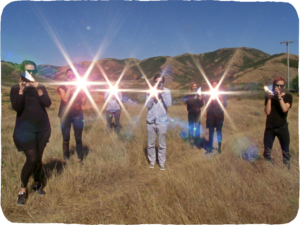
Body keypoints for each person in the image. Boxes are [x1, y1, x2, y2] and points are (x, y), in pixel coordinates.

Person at [10, 60, 51, 205]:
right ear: (22, 71)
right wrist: (21, 90)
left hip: (42, 128)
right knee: (32, 158)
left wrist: (38, 89)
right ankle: (22, 189)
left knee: (39, 158)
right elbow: (16, 107)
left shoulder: (40, 87)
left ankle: (37, 184)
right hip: (24, 130)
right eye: (28, 71)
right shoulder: (15, 88)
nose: (31, 74)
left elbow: (48, 103)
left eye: (33, 71)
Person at [57, 68, 87, 165]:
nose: (71, 78)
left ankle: (80, 158)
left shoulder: (79, 88)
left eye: (73, 76)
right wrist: (70, 88)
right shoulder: (62, 87)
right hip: (65, 115)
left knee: (78, 137)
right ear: (66, 77)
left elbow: (83, 102)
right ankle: (66, 157)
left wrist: (84, 92)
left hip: (77, 115)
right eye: (69, 76)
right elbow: (65, 99)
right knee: (66, 137)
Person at [264, 76, 292, 168]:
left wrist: (279, 97)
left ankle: (287, 170)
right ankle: (267, 170)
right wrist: (269, 99)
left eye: (281, 86)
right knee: (267, 152)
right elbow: (267, 112)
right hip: (270, 128)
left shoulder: (288, 97)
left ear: (284, 87)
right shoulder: (269, 97)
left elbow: (284, 109)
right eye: (277, 85)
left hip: (282, 128)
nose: (279, 87)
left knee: (286, 152)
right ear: (273, 86)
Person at [146, 74, 172, 170]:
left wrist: (163, 93)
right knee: (150, 143)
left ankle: (162, 163)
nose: (158, 83)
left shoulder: (167, 91)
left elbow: (168, 104)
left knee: (162, 144)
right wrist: (152, 96)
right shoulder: (150, 91)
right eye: (156, 81)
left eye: (160, 82)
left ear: (163, 83)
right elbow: (147, 105)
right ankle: (152, 161)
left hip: (162, 121)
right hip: (150, 120)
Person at [205, 80, 227, 154]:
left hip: (219, 115)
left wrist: (221, 101)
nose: (214, 85)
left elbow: (225, 104)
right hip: (211, 115)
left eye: (215, 84)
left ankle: (219, 147)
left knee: (219, 132)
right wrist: (210, 101)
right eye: (213, 84)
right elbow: (206, 104)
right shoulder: (208, 93)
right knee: (211, 131)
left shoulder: (222, 93)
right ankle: (210, 147)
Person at [185, 82, 204, 148]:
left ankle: (197, 141)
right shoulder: (188, 94)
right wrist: (194, 98)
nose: (194, 87)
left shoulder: (199, 94)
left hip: (198, 112)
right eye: (193, 86)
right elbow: (188, 102)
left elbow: (201, 105)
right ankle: (191, 140)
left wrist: (200, 99)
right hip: (191, 112)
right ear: (191, 87)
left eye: (196, 86)